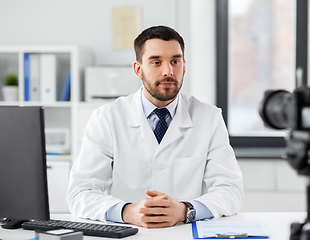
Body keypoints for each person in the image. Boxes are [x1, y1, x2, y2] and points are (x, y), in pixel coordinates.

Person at [67, 25, 244, 229]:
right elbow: (80, 192)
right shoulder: (106, 118)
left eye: (175, 61)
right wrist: (128, 212)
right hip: (129, 232)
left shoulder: (209, 117)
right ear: (138, 69)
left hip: (184, 232)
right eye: (156, 62)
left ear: (184, 66)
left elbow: (230, 190)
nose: (168, 71)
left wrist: (185, 210)